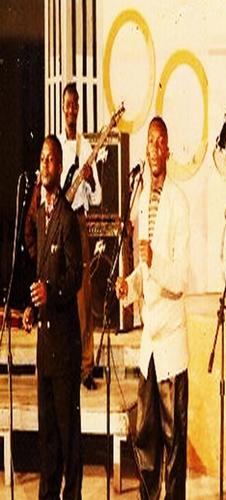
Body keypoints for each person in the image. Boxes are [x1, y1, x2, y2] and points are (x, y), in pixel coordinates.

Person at [115, 116, 190, 499]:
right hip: (150, 349)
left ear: (168, 151)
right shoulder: (141, 201)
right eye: (150, 143)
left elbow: (180, 278)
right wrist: (128, 287)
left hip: (172, 347)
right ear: (146, 152)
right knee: (145, 445)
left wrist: (153, 259)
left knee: (173, 448)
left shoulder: (179, 202)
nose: (155, 149)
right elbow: (144, 273)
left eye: (161, 142)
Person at [22, 135, 83, 499]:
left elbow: (74, 277)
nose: (44, 164)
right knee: (47, 439)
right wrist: (33, 307)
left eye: (50, 159)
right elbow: (41, 272)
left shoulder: (67, 218)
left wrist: (51, 293)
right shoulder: (41, 219)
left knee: (68, 436)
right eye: (41, 158)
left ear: (59, 167)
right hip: (44, 349)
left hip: (65, 346)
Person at [59, 82, 102, 390]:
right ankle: (66, 365)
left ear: (79, 109)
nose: (71, 109)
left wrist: (89, 180)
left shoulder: (85, 148)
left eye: (75, 104)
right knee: (62, 295)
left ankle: (86, 368)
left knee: (83, 297)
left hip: (79, 222)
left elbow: (97, 196)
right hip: (60, 224)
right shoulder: (56, 144)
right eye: (67, 105)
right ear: (62, 109)